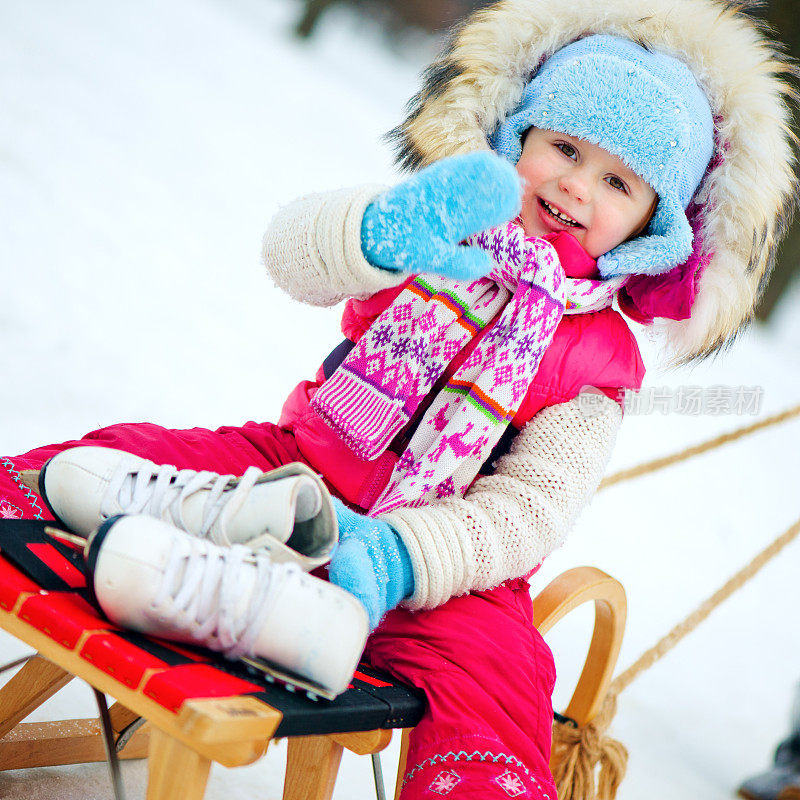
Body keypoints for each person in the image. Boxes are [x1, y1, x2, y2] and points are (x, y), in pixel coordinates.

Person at [1, 1, 795, 797]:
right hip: (293, 475)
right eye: (562, 147)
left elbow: (530, 509)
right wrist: (374, 237)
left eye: (617, 181)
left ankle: (432, 740)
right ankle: (155, 530)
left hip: (439, 575)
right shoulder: (440, 232)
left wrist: (402, 556)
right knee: (132, 452)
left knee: (495, 676)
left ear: (649, 231)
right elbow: (292, 256)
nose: (574, 185)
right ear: (515, 137)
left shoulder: (597, 363)